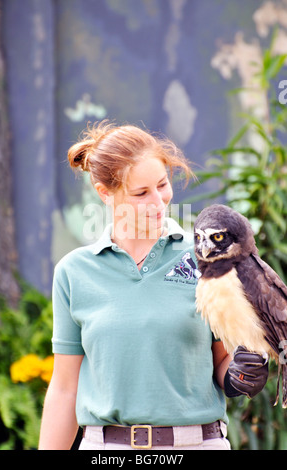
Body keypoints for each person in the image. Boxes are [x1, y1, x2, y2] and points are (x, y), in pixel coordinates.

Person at [38, 120, 268, 450]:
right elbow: (64, 389)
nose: (159, 202)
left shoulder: (208, 259)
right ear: (105, 193)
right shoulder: (74, 273)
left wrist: (240, 374)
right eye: (141, 193)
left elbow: (222, 361)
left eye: (162, 185)